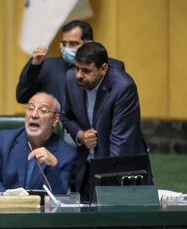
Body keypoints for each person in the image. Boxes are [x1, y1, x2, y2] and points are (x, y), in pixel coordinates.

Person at [61, 42, 150, 201]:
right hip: (88, 166)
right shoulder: (71, 79)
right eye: (77, 68)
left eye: (86, 70)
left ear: (103, 69)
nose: (79, 75)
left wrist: (108, 186)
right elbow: (66, 116)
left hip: (122, 170)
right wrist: (80, 135)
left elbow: (121, 142)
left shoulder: (123, 87)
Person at [0, 92, 76, 198]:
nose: (34, 115)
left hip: (39, 213)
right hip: (4, 211)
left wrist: (53, 167)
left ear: (55, 119)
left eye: (43, 111)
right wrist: (10, 203)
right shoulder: (4, 139)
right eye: (31, 108)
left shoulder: (67, 153)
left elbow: (58, 199)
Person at [16, 20, 125, 105]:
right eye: (64, 43)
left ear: (89, 44)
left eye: (73, 44)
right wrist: (34, 65)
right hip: (58, 129)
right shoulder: (47, 66)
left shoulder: (113, 67)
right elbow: (22, 97)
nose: (67, 48)